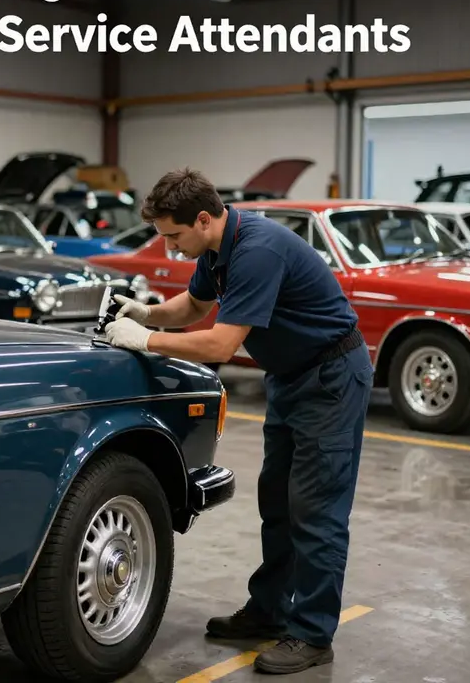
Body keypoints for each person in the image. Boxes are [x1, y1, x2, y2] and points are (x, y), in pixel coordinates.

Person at [103, 168, 374, 676]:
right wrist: (146, 314)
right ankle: (270, 611)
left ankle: (313, 634)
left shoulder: (257, 250)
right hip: (292, 379)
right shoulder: (214, 250)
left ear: (203, 219)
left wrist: (145, 342)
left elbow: (221, 343)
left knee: (316, 512)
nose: (170, 248)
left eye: (174, 236)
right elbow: (194, 306)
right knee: (278, 503)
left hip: (332, 380)